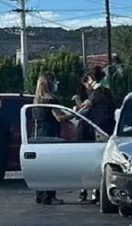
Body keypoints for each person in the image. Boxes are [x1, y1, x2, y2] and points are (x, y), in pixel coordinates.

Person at [74, 67, 116, 202]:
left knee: (95, 163)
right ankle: (97, 191)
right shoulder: (107, 92)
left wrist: (76, 101)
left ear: (91, 80)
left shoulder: (96, 94)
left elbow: (82, 108)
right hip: (109, 129)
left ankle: (95, 192)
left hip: (99, 130)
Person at [32, 72, 68, 205]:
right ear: (49, 83)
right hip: (50, 137)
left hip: (37, 136)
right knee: (51, 167)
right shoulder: (51, 100)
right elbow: (59, 117)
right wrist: (76, 114)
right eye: (54, 81)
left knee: (40, 168)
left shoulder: (36, 102)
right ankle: (50, 196)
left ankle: (40, 195)